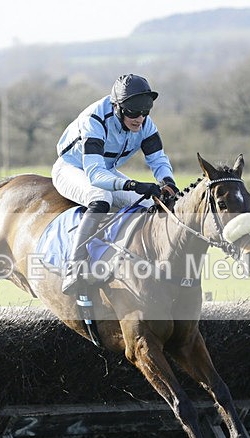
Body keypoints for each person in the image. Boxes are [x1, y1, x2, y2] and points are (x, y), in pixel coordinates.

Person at [53, 73, 178, 294]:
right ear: (117, 107)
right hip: (72, 168)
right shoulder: (94, 120)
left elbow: (158, 159)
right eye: (133, 112)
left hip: (105, 169)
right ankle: (74, 266)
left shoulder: (145, 124)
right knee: (101, 198)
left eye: (145, 112)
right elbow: (95, 175)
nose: (139, 118)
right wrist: (133, 185)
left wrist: (168, 181)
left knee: (152, 204)